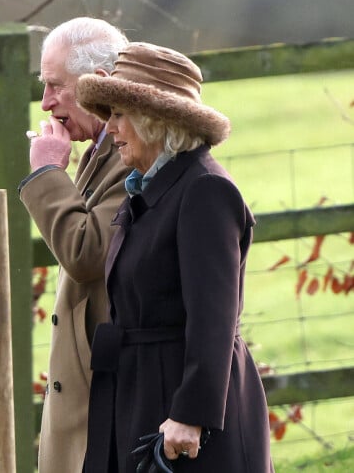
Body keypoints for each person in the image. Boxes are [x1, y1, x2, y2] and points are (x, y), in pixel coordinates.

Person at [76, 42, 274, 472]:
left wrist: (191, 414)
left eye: (118, 114)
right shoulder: (149, 188)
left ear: (156, 119)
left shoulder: (204, 190)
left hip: (186, 414)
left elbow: (214, 316)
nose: (109, 128)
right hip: (143, 389)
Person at [18, 17, 131, 472]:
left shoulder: (131, 155)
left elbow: (87, 255)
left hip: (107, 395)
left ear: (98, 84)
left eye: (54, 86)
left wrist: (47, 175)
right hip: (91, 387)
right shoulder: (101, 148)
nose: (45, 103)